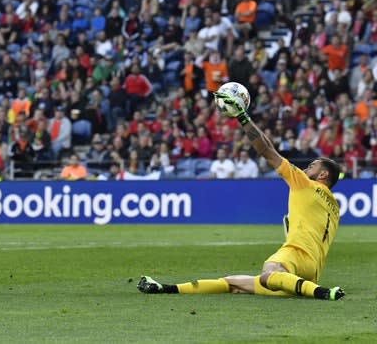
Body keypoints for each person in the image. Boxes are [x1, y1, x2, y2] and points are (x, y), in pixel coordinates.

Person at [138, 89, 345, 301]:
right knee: (233, 283)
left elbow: (266, 150)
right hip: (312, 270)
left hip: (295, 256)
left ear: (322, 174)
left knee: (269, 273)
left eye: (312, 166)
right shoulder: (334, 207)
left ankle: (322, 293)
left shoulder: (304, 184)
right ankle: (164, 288)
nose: (306, 169)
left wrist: (242, 116)